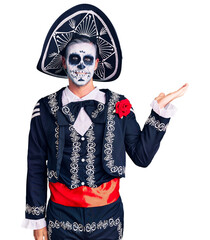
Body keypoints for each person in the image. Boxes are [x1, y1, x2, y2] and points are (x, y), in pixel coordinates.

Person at [22, 4, 188, 240]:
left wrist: (159, 112)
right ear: (64, 62)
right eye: (75, 58)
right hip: (60, 218)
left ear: (97, 63)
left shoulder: (119, 105)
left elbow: (142, 157)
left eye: (88, 59)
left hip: (108, 219)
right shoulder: (45, 107)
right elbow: (36, 166)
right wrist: (37, 221)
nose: (81, 66)